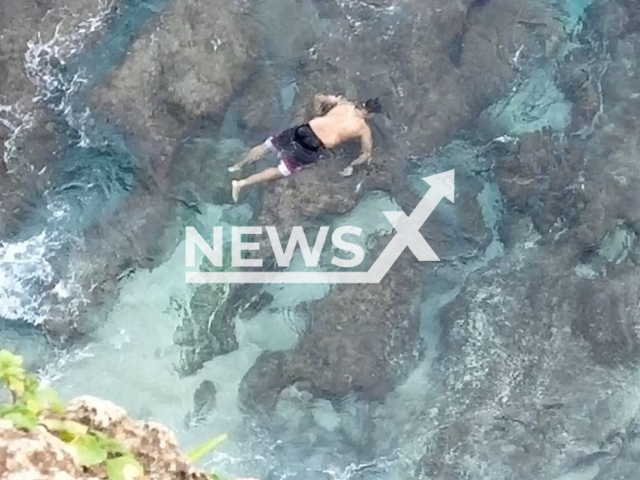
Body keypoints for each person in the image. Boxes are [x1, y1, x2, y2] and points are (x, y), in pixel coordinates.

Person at [229, 95, 382, 202]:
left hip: (305, 129)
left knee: (268, 145)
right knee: (282, 170)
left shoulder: (344, 104)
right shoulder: (363, 129)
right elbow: (365, 153)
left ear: (363, 104)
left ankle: (238, 165)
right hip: (313, 146)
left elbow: (318, 97)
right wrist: (352, 166)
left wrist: (318, 113)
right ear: (372, 115)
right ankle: (241, 183)